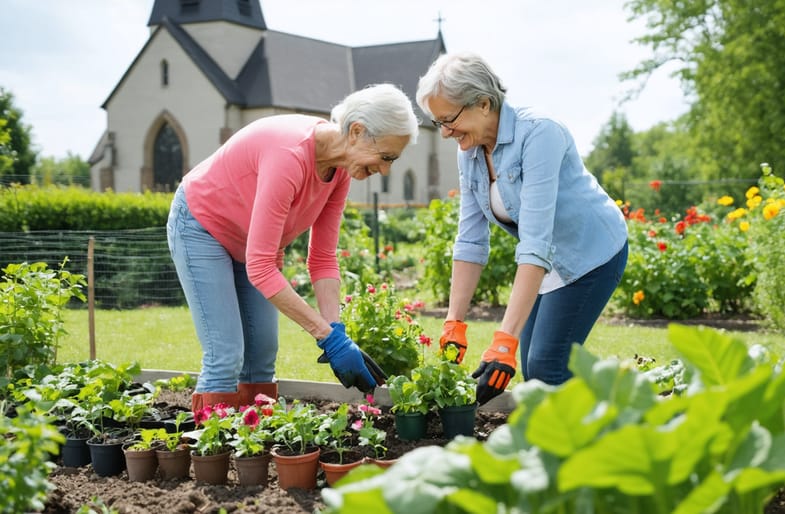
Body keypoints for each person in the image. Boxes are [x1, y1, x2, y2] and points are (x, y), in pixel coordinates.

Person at [166, 83, 418, 413]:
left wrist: (335, 330)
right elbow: (261, 267)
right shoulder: (290, 157)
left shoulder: (339, 171)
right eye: (384, 157)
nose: (384, 170)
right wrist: (325, 336)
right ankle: (212, 458)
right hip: (202, 227)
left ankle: (250, 454)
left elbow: (323, 258)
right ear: (356, 131)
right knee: (225, 354)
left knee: (262, 356)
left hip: (250, 244)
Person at [416, 53, 629, 405]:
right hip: (546, 258)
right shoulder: (468, 150)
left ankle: (594, 445)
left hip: (591, 253)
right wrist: (453, 322)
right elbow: (470, 239)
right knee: (536, 371)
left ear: (483, 103)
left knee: (547, 366)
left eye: (449, 120)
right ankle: (584, 429)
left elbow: (535, 241)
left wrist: (504, 340)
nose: (444, 133)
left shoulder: (540, 133)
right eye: (438, 122)